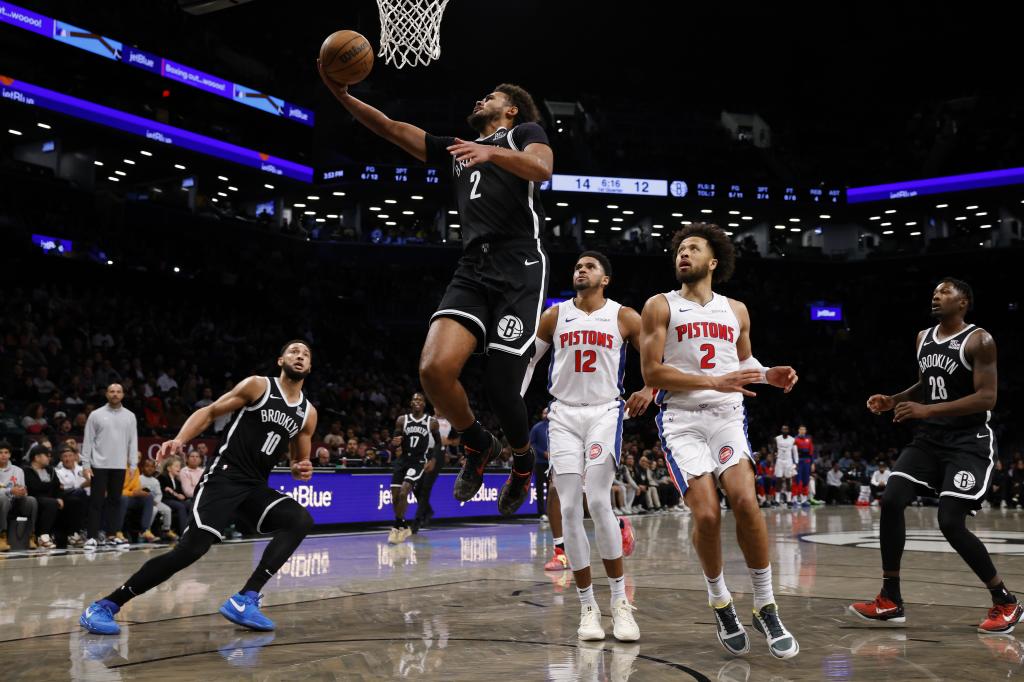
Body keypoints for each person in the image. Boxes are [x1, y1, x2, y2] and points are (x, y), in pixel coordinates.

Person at [319, 68, 553, 516]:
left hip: (520, 263)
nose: (479, 100)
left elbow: (542, 169)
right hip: (473, 266)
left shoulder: (524, 131)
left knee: (502, 387)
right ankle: (476, 441)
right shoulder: (456, 150)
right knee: (433, 370)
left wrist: (490, 152)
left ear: (510, 109)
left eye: (490, 95)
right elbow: (391, 128)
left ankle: (523, 464)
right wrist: (342, 95)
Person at [80, 341, 318, 635]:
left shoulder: (307, 413)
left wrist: (298, 468)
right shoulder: (258, 386)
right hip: (224, 479)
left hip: (255, 487)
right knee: (190, 551)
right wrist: (180, 440)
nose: (300, 356)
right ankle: (105, 605)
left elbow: (299, 460)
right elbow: (210, 412)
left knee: (300, 520)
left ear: (309, 366)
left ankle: (246, 598)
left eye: (305, 354)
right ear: (280, 359)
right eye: (294, 351)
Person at [640, 223, 799, 659]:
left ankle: (765, 604)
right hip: (682, 420)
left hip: (727, 417)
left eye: (693, 248)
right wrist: (714, 379)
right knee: (707, 515)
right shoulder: (659, 306)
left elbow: (743, 361)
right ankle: (721, 601)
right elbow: (651, 374)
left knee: (746, 502)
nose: (683, 254)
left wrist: (768, 375)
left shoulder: (737, 310)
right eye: (679, 249)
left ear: (713, 262)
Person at [850, 278, 1020, 634]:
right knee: (893, 499)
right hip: (930, 439)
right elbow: (927, 384)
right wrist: (894, 400)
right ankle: (890, 598)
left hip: (967, 441)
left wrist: (928, 411)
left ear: (964, 302)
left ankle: (1005, 600)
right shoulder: (922, 338)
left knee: (949, 521)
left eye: (945, 292)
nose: (936, 295)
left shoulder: (980, 340)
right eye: (935, 291)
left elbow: (987, 397)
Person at [521, 251, 652, 641]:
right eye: (577, 265)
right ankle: (588, 608)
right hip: (562, 415)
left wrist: (650, 387)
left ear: (605, 279)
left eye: (590, 266)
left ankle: (619, 604)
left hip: (604, 413)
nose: (581, 269)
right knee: (569, 507)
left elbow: (654, 354)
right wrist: (514, 401)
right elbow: (528, 363)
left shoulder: (624, 315)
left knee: (597, 501)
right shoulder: (555, 315)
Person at [81, 384, 138, 549]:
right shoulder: (96, 415)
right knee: (96, 501)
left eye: (118, 392)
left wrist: (133, 464)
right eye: (112, 391)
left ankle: (112, 535)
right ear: (106, 394)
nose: (115, 394)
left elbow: (132, 441)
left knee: (115, 501)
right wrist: (86, 464)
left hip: (120, 465)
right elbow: (88, 441)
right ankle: (92, 537)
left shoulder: (130, 416)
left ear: (123, 395)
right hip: (99, 465)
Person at [389, 393, 441, 543]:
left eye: (420, 400)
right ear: (411, 403)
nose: (417, 401)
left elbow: (438, 443)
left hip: (418, 462)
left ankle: (396, 526)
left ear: (424, 404)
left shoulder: (431, 422)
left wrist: (433, 459)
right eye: (415, 399)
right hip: (403, 460)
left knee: (404, 491)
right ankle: (402, 524)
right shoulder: (402, 420)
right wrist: (395, 442)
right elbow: (395, 441)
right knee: (395, 496)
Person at [22, 447, 63, 549]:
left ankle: (73, 535)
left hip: (50, 498)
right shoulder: (26, 470)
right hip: (33, 499)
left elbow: (58, 486)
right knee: (51, 503)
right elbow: (34, 487)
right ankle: (42, 536)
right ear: (37, 457)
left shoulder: (51, 470)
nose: (49, 459)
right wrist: (50, 485)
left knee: (73, 501)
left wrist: (59, 497)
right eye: (46, 456)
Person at [0, 441, 37, 551]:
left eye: (6, 452)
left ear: (10, 455)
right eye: (0, 452)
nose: (3, 455)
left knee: (31, 500)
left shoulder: (18, 470)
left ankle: (31, 536)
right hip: (2, 502)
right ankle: (2, 536)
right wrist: (10, 490)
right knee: (3, 499)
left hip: (15, 502)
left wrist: (21, 491)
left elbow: (23, 491)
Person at [138, 457, 176, 540]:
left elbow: (159, 494)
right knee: (154, 510)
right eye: (147, 466)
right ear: (142, 468)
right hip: (145, 502)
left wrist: (156, 501)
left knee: (167, 510)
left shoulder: (155, 481)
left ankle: (166, 530)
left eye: (152, 467)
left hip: (155, 501)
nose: (150, 468)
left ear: (155, 468)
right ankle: (146, 530)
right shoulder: (139, 479)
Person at [158, 455, 189, 535]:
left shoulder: (177, 480)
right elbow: (163, 491)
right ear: (169, 468)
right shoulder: (162, 477)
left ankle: (193, 530)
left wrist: (180, 495)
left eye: (179, 466)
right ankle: (184, 533)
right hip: (164, 500)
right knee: (180, 506)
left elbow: (180, 494)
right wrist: (175, 494)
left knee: (190, 504)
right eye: (176, 466)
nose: (179, 468)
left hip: (174, 500)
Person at [773, 426, 797, 507]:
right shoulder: (777, 439)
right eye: (783, 429)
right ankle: (777, 500)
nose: (785, 430)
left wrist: (796, 463)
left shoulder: (792, 439)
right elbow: (774, 451)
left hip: (788, 461)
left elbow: (795, 452)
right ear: (781, 430)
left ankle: (789, 500)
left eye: (786, 429)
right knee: (778, 480)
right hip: (779, 460)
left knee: (788, 480)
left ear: (788, 430)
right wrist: (774, 462)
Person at [794, 425, 815, 508]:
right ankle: (796, 500)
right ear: (798, 430)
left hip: (807, 462)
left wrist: (812, 463)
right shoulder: (795, 439)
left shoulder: (808, 439)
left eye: (804, 429)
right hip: (798, 462)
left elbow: (811, 452)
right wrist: (794, 463)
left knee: (806, 480)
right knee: (797, 480)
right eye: (801, 429)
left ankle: (804, 500)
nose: (802, 431)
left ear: (805, 431)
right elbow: (793, 452)